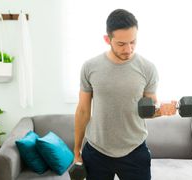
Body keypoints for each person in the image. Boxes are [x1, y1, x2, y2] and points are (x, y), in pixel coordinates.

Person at [74, 9, 177, 180]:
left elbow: (149, 110)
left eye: (133, 42)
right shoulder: (90, 67)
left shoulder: (147, 68)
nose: (128, 49)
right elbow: (83, 111)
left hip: (134, 151)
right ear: (107, 40)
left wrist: (164, 110)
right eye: (121, 44)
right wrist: (76, 148)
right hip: (96, 151)